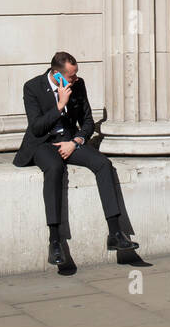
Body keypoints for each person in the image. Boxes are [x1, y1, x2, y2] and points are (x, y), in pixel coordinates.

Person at [14, 52, 138, 265]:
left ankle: (116, 233)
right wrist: (60, 105)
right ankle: (55, 242)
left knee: (103, 164)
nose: (76, 79)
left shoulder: (78, 86)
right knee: (54, 169)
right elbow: (36, 128)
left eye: (76, 74)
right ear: (57, 75)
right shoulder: (32, 87)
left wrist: (76, 141)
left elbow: (88, 122)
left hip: (70, 141)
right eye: (71, 76)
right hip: (43, 144)